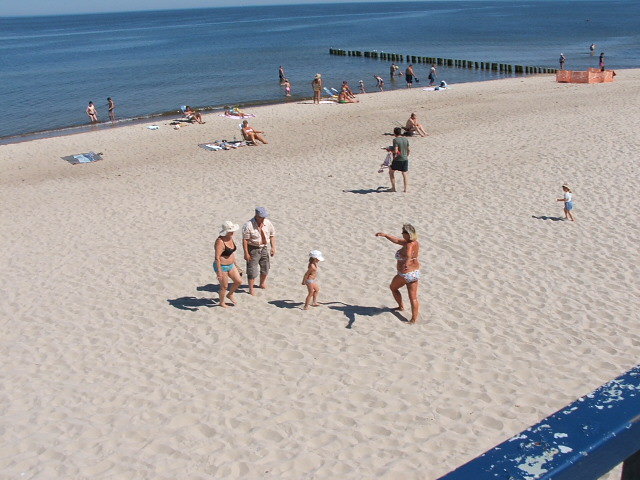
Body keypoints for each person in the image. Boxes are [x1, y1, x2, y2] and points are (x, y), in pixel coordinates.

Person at [375, 224, 420, 324]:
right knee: (413, 297)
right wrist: (386, 235)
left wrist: (407, 263)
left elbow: (408, 254)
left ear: (408, 234)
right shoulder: (414, 243)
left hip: (405, 274)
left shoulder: (408, 245)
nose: (401, 234)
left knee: (393, 288)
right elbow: (397, 241)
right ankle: (413, 319)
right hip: (415, 273)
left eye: (403, 232)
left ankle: (401, 306)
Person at [242, 206, 276, 295]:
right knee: (252, 269)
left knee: (265, 267)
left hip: (264, 247)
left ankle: (262, 283)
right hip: (253, 248)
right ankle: (251, 288)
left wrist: (273, 247)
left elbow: (272, 235)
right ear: (256, 215)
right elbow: (245, 240)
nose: (263, 218)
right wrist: (246, 253)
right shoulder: (248, 225)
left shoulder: (267, 223)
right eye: (261, 217)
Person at [213, 221, 243, 307]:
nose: (233, 232)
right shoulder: (220, 241)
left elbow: (231, 252)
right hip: (222, 266)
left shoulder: (230, 238)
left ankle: (230, 294)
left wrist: (236, 264)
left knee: (238, 281)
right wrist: (219, 272)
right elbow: (217, 257)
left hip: (231, 265)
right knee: (224, 286)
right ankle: (222, 302)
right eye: (231, 231)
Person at [389, 127, 410, 192]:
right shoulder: (405, 139)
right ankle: (406, 189)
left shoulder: (395, 140)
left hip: (397, 159)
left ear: (394, 133)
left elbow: (396, 151)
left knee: (391, 172)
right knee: (404, 173)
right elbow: (409, 150)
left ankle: (393, 188)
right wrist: (406, 155)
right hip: (405, 158)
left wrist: (389, 150)